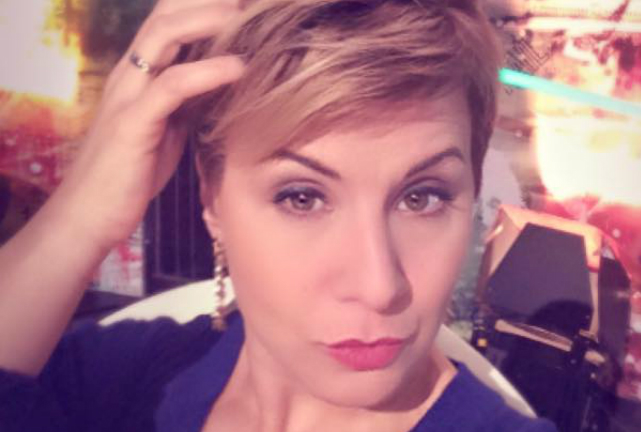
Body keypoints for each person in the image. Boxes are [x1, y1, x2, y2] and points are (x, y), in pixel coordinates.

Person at [0, 0, 557, 431]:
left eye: (422, 197)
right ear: (212, 200)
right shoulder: (130, 377)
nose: (379, 286)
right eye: (302, 197)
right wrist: (78, 218)